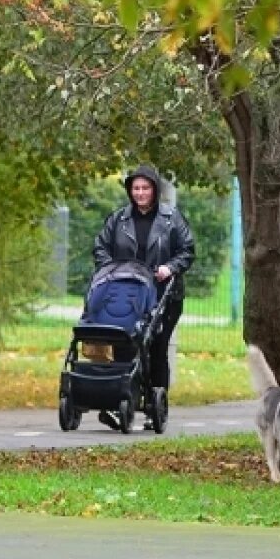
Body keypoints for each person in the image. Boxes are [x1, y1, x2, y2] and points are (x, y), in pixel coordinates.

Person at [92, 164, 195, 429]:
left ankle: (154, 404)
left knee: (156, 348)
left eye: (145, 188)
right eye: (136, 188)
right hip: (126, 293)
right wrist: (113, 269)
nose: (140, 193)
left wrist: (169, 268)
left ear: (155, 190)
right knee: (123, 345)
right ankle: (120, 399)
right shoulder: (118, 220)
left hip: (163, 295)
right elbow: (100, 248)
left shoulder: (172, 219)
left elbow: (187, 251)